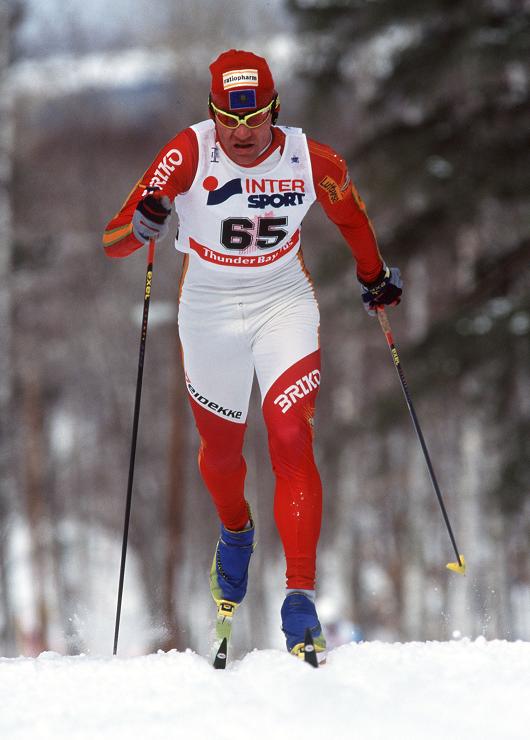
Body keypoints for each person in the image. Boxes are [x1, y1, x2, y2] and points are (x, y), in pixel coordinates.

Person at [103, 49, 402, 662]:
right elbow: (111, 240)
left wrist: (374, 278)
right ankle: (236, 531)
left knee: (290, 435)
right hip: (208, 309)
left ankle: (299, 599)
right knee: (221, 454)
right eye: (228, 121)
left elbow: (352, 217)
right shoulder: (187, 152)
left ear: (275, 111)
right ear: (213, 113)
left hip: (282, 301)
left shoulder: (310, 160)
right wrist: (143, 223)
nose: (241, 134)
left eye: (256, 119)